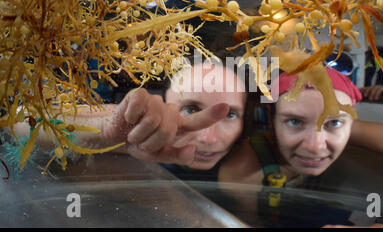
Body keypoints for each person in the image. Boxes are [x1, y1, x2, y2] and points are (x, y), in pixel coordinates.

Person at [218, 67, 383, 227]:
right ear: (271, 120)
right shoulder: (240, 170)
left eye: (334, 123)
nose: (315, 146)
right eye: (294, 122)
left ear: (350, 122)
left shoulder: (341, 126)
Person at [10, 57, 247, 175]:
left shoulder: (249, 162)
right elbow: (21, 123)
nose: (208, 138)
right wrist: (107, 130)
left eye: (231, 115)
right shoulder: (137, 131)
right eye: (191, 109)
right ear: (166, 101)